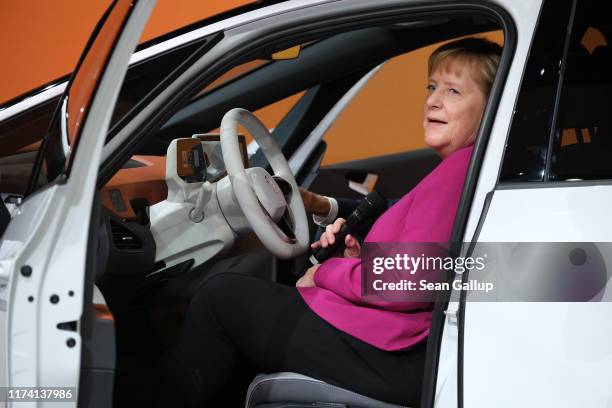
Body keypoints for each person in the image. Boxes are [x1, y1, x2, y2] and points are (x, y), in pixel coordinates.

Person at [160, 37, 502, 407]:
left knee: (219, 297)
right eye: (432, 87)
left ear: (491, 108)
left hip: (392, 354)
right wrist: (357, 255)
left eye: (454, 91)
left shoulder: (456, 175)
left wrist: (326, 274)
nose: (433, 100)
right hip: (398, 341)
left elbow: (407, 281)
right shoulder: (463, 169)